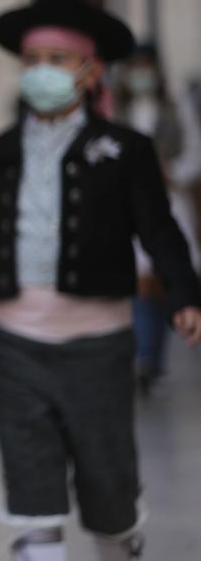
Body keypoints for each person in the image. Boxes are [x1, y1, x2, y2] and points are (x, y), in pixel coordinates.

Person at [0, 0, 201, 560]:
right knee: (32, 488)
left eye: (57, 60)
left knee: (107, 484)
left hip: (98, 345)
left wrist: (185, 294)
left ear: (90, 71)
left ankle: (119, 540)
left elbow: (159, 229)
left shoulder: (124, 149)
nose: (41, 71)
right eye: (32, 59)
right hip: (13, 344)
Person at [111, 43, 201, 393]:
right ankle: (142, 356)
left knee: (161, 281)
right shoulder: (117, 110)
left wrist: (170, 172)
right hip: (125, 206)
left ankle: (152, 357)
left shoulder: (174, 108)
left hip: (168, 200)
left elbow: (193, 154)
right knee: (137, 283)